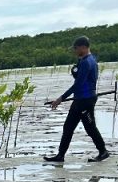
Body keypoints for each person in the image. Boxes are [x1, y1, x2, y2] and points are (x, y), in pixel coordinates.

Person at [43, 35, 110, 163]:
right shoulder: (88, 60)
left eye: (76, 48)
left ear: (83, 47)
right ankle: (60, 156)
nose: (74, 50)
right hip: (79, 100)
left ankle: (103, 152)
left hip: (86, 100)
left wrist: (60, 99)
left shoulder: (87, 62)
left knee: (90, 128)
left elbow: (78, 84)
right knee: (68, 127)